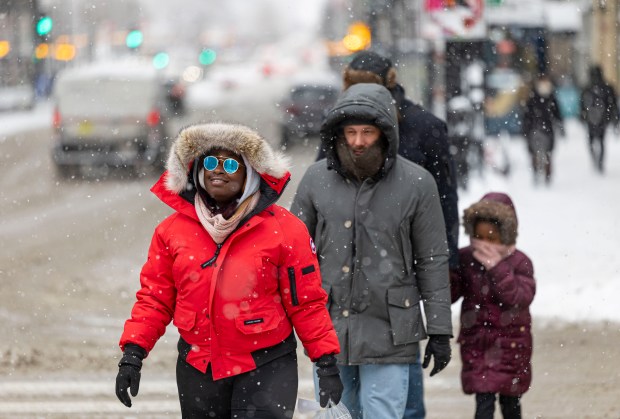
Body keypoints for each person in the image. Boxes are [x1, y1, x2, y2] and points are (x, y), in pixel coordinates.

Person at [115, 122, 343, 418]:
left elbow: (306, 303)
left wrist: (325, 361)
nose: (218, 170)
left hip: (267, 365)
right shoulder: (170, 232)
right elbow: (154, 299)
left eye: (231, 163)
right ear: (197, 170)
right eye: (210, 162)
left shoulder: (286, 231)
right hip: (198, 367)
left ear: (250, 172)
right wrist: (133, 355)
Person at [291, 83, 453, 419]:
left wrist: (439, 330)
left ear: (385, 133)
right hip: (330, 327)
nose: (358, 141)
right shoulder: (316, 180)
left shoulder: (417, 184)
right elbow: (292, 255)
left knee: (384, 414)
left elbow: (433, 260)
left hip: (392, 327)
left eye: (367, 132)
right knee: (338, 415)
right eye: (350, 132)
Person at [450, 192, 536, 419]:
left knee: (511, 404)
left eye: (492, 237)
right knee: (483, 404)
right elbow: (450, 292)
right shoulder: (467, 259)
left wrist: (497, 268)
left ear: (506, 235)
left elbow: (519, 297)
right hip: (478, 344)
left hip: (511, 347)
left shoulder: (520, 262)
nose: (485, 244)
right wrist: (447, 265)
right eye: (479, 236)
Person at [522, 73, 564, 185]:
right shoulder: (533, 98)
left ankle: (546, 175)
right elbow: (527, 115)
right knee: (536, 153)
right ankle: (537, 173)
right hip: (536, 129)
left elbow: (557, 114)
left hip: (545, 129)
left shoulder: (550, 97)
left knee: (547, 154)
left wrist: (560, 125)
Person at [580, 65, 620, 173]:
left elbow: (582, 104)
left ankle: (596, 160)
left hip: (593, 119)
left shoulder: (588, 87)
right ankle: (599, 162)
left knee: (592, 140)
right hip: (602, 118)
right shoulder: (606, 87)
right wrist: (613, 117)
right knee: (600, 141)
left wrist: (583, 116)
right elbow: (613, 105)